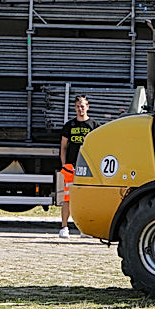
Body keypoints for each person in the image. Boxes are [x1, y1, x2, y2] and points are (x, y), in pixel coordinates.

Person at [58, 95, 97, 238]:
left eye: (83, 106)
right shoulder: (69, 125)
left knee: (86, 199)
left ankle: (85, 229)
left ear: (88, 107)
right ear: (75, 108)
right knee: (67, 198)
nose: (80, 109)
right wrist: (64, 164)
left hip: (88, 168)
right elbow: (63, 147)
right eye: (78, 106)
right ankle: (64, 227)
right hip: (71, 166)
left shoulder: (94, 125)